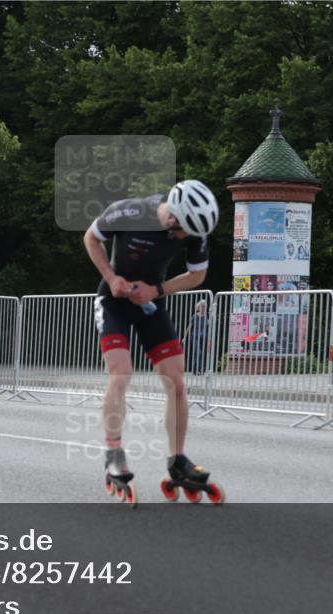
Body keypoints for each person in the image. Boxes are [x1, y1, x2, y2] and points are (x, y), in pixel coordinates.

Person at [83, 179, 218, 502]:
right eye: (186, 231)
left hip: (150, 303)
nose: (190, 238)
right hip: (113, 301)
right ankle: (114, 454)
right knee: (121, 373)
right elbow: (91, 237)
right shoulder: (130, 211)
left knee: (176, 381)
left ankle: (177, 460)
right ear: (173, 218)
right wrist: (111, 278)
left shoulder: (195, 229)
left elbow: (197, 275)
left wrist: (157, 291)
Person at [184, 300, 209, 375]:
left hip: (204, 337)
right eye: (202, 306)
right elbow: (189, 327)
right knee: (198, 352)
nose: (203, 308)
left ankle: (197, 370)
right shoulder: (194, 316)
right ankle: (197, 369)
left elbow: (210, 327)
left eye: (205, 306)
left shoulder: (208, 316)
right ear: (198, 308)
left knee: (200, 353)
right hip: (195, 337)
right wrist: (185, 337)